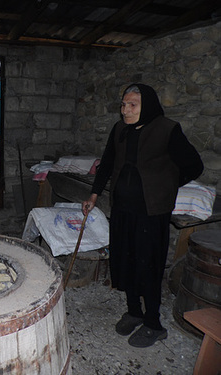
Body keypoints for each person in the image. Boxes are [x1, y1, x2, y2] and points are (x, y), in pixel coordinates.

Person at [82, 83, 203, 348]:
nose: (125, 110)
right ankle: (134, 311)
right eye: (123, 104)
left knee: (148, 264)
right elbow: (108, 163)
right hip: (123, 209)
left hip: (151, 212)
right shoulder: (120, 130)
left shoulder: (167, 129)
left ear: (146, 104)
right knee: (125, 260)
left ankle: (153, 323)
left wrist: (170, 184)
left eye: (132, 104)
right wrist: (93, 195)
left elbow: (195, 165)